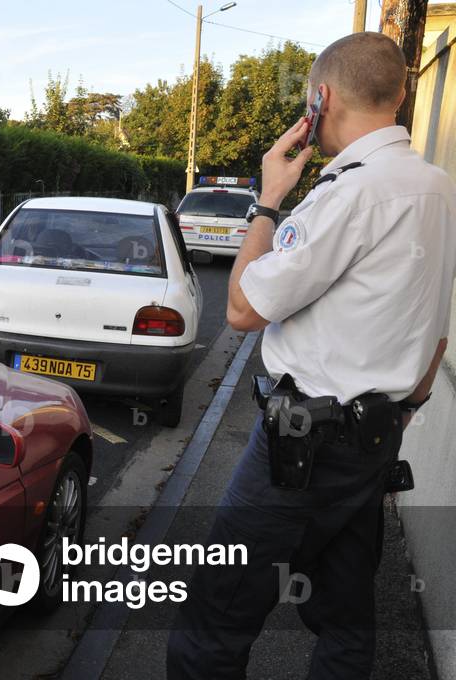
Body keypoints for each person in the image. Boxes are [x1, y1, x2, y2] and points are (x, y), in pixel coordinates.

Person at [166, 32, 455, 680]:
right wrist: (397, 416)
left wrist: (268, 199)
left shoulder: (347, 194)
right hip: (374, 444)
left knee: (213, 619)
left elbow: (241, 308)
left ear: (320, 101)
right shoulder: (438, 188)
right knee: (347, 624)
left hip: (299, 454)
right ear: (401, 93)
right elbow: (434, 334)